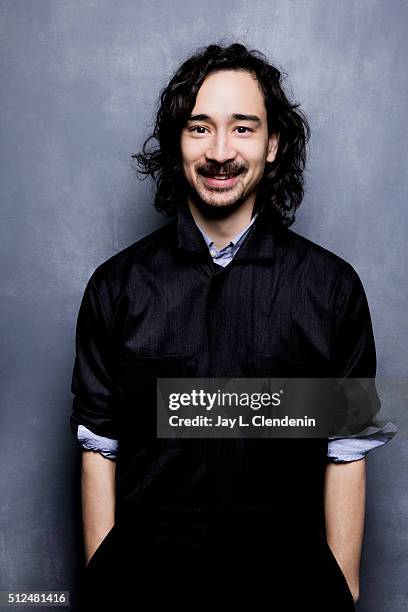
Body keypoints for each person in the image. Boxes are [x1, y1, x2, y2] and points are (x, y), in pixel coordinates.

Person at [70, 43, 396, 610]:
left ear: (273, 145)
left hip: (289, 590)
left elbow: (346, 449)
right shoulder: (116, 287)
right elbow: (100, 444)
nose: (220, 151)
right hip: (145, 590)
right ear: (177, 142)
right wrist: (105, 582)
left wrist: (342, 590)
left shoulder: (333, 288)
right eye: (200, 128)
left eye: (243, 128)